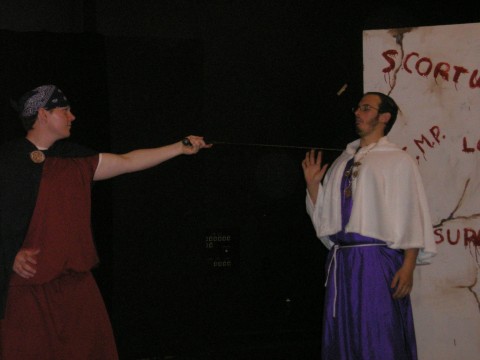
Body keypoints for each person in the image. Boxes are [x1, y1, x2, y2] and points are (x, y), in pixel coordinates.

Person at [0, 84, 212, 359]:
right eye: (65, 110)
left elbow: (128, 161)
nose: (72, 117)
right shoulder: (7, 161)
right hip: (29, 288)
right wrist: (7, 254)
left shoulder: (75, 160)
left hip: (77, 288)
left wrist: (179, 148)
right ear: (43, 114)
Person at [302, 92, 436, 360]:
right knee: (345, 334)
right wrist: (314, 186)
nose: (357, 113)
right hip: (343, 262)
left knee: (378, 334)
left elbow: (411, 212)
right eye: (358, 107)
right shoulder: (343, 160)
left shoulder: (398, 160)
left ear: (384, 117)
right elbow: (328, 220)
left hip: (376, 260)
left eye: (366, 108)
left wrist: (408, 265)